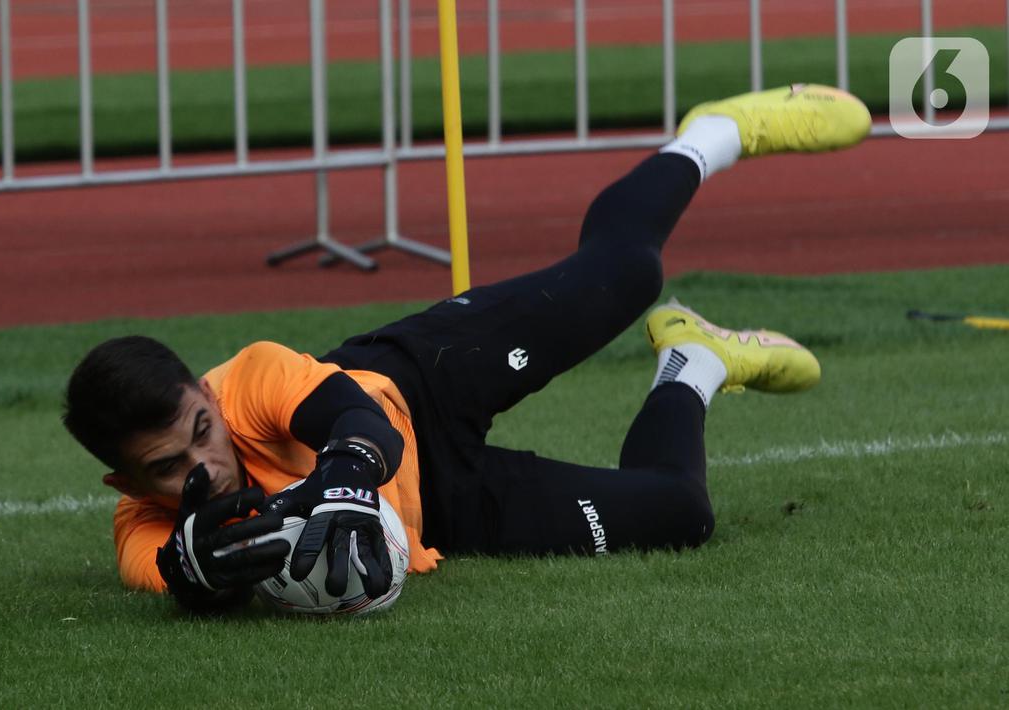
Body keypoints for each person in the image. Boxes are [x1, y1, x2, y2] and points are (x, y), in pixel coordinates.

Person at [62, 84, 871, 613]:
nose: (204, 465)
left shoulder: (247, 379)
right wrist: (199, 578)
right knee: (681, 513)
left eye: (200, 430)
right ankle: (693, 362)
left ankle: (709, 136)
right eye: (168, 468)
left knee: (624, 274)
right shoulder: (142, 530)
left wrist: (341, 478)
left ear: (203, 394)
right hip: (445, 505)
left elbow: (358, 422)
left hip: (423, 378)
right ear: (124, 480)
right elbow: (169, 571)